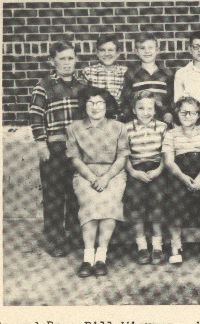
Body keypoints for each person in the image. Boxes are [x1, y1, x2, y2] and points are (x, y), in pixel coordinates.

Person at [29, 40, 87, 257]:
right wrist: (41, 143)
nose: (67, 63)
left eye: (70, 58)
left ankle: (73, 235)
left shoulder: (82, 84)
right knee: (54, 195)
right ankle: (54, 239)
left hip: (78, 148)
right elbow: (36, 116)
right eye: (62, 59)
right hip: (54, 147)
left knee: (75, 193)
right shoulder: (44, 85)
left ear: (76, 60)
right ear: (52, 61)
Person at [66, 87, 130, 277]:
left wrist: (106, 178)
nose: (95, 107)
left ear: (107, 105)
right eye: (90, 103)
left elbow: (122, 158)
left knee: (110, 204)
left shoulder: (119, 127)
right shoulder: (73, 127)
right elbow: (75, 159)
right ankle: (88, 258)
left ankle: (101, 257)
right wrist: (93, 178)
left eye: (100, 103)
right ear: (84, 105)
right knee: (90, 204)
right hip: (86, 175)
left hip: (113, 174)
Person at [163, 97, 200, 263]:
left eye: (192, 113)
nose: (187, 116)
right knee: (174, 198)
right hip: (179, 171)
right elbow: (169, 161)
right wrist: (182, 178)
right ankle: (176, 246)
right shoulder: (171, 134)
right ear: (177, 113)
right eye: (183, 112)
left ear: (198, 115)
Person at [123, 91, 168, 265]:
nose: (146, 112)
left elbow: (166, 153)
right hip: (135, 168)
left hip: (157, 167)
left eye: (150, 108)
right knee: (136, 201)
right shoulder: (126, 128)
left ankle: (157, 247)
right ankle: (141, 246)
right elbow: (124, 154)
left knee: (157, 200)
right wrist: (133, 172)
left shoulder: (162, 127)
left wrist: (158, 170)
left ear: (155, 110)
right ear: (134, 110)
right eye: (141, 108)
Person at [121, 32, 174, 125]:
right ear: (136, 51)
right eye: (142, 48)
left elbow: (172, 99)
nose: (147, 51)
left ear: (157, 50)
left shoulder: (167, 74)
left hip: (162, 122)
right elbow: (126, 100)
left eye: (150, 47)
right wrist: (130, 119)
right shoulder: (131, 74)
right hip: (138, 122)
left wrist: (169, 113)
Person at [81, 34, 128, 120]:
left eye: (110, 50)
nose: (106, 54)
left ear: (118, 53)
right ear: (97, 53)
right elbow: (84, 99)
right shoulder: (89, 72)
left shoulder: (125, 72)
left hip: (118, 120)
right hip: (95, 119)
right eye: (102, 50)